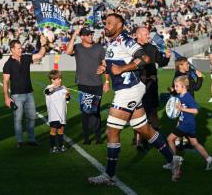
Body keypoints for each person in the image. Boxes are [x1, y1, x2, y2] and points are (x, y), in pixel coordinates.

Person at [88, 13, 183, 185]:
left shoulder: (126, 40)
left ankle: (108, 176)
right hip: (129, 89)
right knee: (144, 130)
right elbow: (115, 65)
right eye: (105, 22)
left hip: (128, 91)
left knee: (111, 131)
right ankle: (173, 160)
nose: (106, 25)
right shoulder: (112, 42)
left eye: (110, 23)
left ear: (119, 26)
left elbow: (144, 58)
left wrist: (122, 68)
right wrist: (106, 68)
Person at [3, 36, 47, 148]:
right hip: (16, 96)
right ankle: (20, 141)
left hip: (29, 94)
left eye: (21, 48)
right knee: (18, 119)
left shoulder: (26, 58)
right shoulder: (8, 64)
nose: (21, 50)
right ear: (12, 49)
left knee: (32, 117)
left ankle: (31, 139)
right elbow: (5, 82)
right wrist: (7, 98)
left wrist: (43, 44)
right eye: (18, 48)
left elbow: (40, 55)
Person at [66, 26, 107, 145]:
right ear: (82, 37)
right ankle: (86, 138)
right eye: (88, 34)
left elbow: (105, 65)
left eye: (91, 34)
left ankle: (98, 137)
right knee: (85, 111)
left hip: (97, 84)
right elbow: (68, 51)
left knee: (95, 111)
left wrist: (107, 80)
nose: (90, 36)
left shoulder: (99, 48)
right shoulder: (77, 47)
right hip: (83, 84)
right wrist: (74, 34)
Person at [166, 76, 212, 170]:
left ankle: (174, 163)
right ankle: (210, 160)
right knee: (194, 143)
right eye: (175, 86)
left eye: (177, 86)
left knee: (169, 139)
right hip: (187, 124)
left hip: (187, 124)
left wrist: (182, 109)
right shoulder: (179, 96)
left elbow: (196, 111)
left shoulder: (188, 97)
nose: (175, 88)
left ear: (184, 86)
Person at [133, 27, 171, 151]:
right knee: (139, 112)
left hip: (152, 83)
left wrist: (166, 57)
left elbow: (161, 62)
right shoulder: (131, 47)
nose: (148, 36)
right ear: (138, 35)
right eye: (146, 34)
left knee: (153, 111)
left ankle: (154, 139)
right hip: (137, 84)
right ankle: (138, 141)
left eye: (148, 34)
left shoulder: (153, 48)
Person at [44, 70, 70, 153]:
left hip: (62, 113)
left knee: (61, 130)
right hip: (54, 115)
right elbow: (47, 92)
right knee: (53, 130)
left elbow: (67, 99)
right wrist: (54, 87)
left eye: (60, 79)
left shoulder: (63, 88)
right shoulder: (48, 87)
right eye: (58, 79)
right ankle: (53, 147)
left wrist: (67, 95)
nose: (60, 80)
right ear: (53, 80)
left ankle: (61, 146)